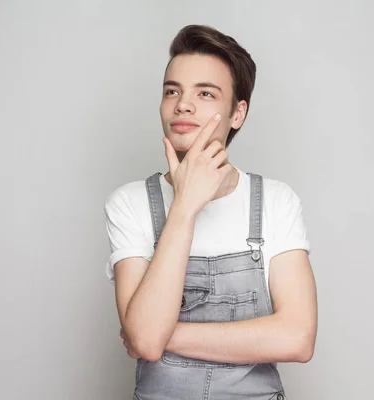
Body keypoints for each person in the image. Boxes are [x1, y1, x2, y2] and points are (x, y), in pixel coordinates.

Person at [103, 24, 318, 400]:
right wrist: (184, 206)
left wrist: (165, 333)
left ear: (238, 113)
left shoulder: (275, 201)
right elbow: (145, 341)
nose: (183, 104)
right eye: (173, 91)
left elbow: (297, 338)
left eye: (205, 93)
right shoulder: (130, 203)